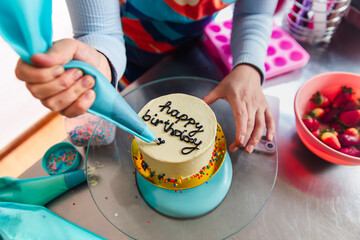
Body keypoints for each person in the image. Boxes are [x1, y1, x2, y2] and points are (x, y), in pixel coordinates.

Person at [15, 0, 277, 153]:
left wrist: (249, 66)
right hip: (125, 62)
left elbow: (254, 11)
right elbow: (99, 31)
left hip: (189, 52)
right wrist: (99, 66)